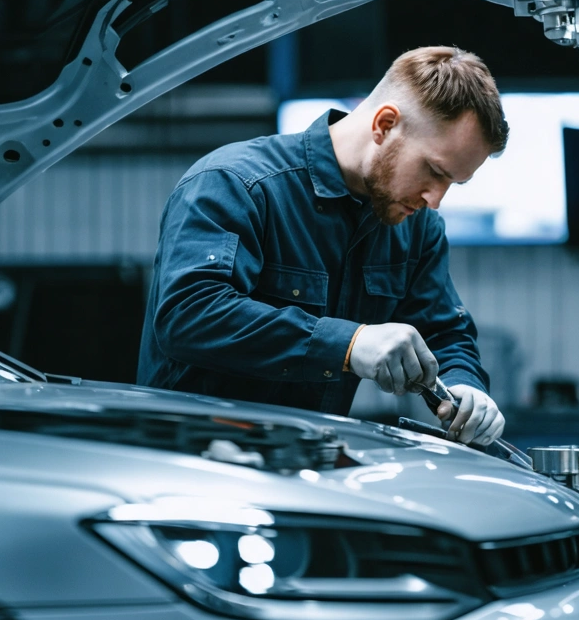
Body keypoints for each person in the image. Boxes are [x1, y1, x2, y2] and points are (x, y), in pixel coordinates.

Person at [137, 46, 507, 446]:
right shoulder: (236, 184)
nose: (435, 199)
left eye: (454, 182)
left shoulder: (417, 227)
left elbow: (444, 332)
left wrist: (466, 387)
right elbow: (190, 315)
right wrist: (348, 344)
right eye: (434, 171)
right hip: (196, 465)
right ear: (384, 125)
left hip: (309, 467)